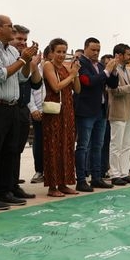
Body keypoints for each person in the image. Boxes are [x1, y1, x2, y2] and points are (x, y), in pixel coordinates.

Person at [0, 14, 38, 210]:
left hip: (12, 106)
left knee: (9, 151)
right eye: (9, 26)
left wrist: (27, 61)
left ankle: (5, 191)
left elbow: (22, 79)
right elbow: (0, 75)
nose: (13, 30)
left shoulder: (12, 50)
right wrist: (23, 59)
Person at [74, 37, 119, 191]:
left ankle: (96, 177)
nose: (96, 52)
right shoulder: (81, 64)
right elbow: (88, 82)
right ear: (85, 48)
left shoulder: (100, 65)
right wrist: (106, 71)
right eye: (93, 49)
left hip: (100, 110)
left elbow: (112, 84)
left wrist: (113, 71)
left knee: (98, 146)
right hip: (86, 111)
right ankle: (81, 180)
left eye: (98, 50)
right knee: (83, 146)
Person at [42, 38, 82, 197]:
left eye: (63, 52)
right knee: (53, 147)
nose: (61, 55)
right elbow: (56, 86)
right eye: (58, 51)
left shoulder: (66, 68)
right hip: (54, 112)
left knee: (66, 146)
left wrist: (75, 73)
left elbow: (77, 90)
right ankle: (52, 186)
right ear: (51, 52)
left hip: (67, 111)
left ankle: (64, 183)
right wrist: (71, 75)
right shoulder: (48, 65)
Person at [9, 24, 42, 199]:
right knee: (5, 150)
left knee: (17, 150)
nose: (22, 42)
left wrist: (33, 64)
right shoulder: (8, 56)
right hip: (7, 106)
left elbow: (36, 83)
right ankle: (3, 188)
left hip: (22, 108)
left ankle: (13, 185)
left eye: (24, 40)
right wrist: (24, 61)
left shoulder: (26, 58)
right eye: (19, 39)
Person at [107, 43, 130, 185]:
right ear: (119, 55)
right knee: (116, 144)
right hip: (118, 110)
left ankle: (124, 172)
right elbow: (115, 91)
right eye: (128, 54)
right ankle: (114, 174)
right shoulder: (112, 69)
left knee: (127, 144)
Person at [28, 47, 47, 184]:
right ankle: (39, 171)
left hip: (56, 112)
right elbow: (28, 91)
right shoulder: (34, 69)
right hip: (39, 112)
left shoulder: (59, 71)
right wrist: (33, 109)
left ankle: (53, 171)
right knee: (39, 141)